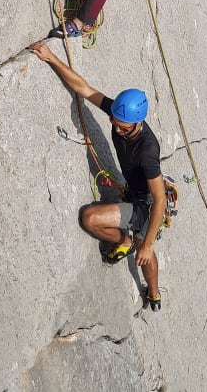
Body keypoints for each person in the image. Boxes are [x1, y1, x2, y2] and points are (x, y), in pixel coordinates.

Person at [28, 41, 167, 311]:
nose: (113, 124)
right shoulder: (122, 114)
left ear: (136, 123)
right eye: (114, 119)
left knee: (140, 248)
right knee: (96, 222)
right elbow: (85, 89)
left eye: (120, 124)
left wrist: (148, 243)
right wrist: (52, 58)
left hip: (144, 206)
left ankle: (153, 291)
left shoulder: (147, 151)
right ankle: (124, 241)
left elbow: (159, 199)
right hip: (134, 191)